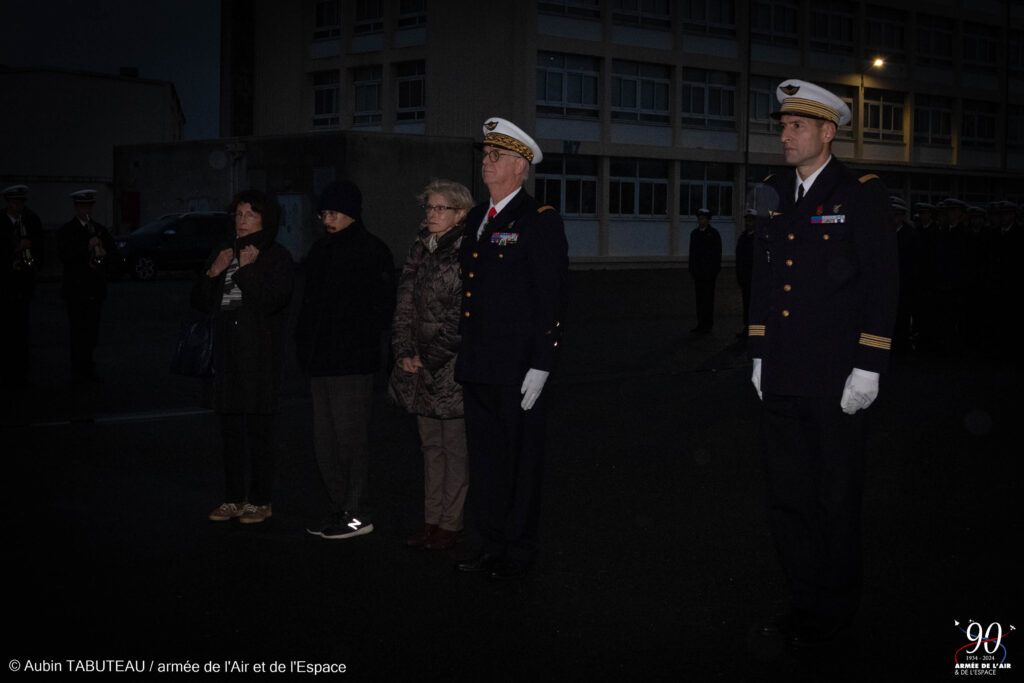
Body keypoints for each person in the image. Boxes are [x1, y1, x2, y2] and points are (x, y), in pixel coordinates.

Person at [748, 80, 898, 647]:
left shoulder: (860, 191)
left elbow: (882, 280)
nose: (784, 135)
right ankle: (804, 598)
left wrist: (870, 363)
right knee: (788, 493)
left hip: (836, 375)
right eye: (782, 126)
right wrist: (758, 352)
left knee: (835, 495)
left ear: (826, 132)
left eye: (796, 126)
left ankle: (836, 607)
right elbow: (762, 276)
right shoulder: (769, 190)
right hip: (783, 370)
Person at [454, 117, 569, 579]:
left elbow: (552, 295)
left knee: (520, 463)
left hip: (518, 367)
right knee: (486, 462)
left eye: (496, 156)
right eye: (485, 154)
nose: (487, 161)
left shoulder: (538, 220)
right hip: (479, 362)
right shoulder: (480, 218)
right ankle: (490, 542)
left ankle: (518, 550)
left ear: (520, 167)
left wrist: (543, 362)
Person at [294, 180, 395, 540]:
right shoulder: (321, 250)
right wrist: (304, 347)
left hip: (351, 363)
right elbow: (307, 306)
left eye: (333, 212)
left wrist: (359, 343)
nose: (327, 219)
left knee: (351, 440)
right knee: (325, 442)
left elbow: (383, 308)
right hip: (321, 362)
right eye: (324, 213)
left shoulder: (371, 251)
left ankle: (357, 513)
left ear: (351, 213)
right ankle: (340, 509)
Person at [192, 190, 294, 524]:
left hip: (260, 357)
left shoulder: (276, 256)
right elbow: (200, 302)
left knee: (259, 431)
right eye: (238, 213)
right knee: (230, 432)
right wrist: (213, 272)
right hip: (227, 356)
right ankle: (233, 498)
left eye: (250, 214)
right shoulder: (223, 251)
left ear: (266, 219)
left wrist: (247, 270)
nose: (242, 219)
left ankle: (260, 500)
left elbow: (272, 302)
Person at [390, 179, 473, 551]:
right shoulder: (420, 248)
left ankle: (450, 525)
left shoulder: (468, 250)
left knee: (454, 449)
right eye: (429, 208)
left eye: (441, 208)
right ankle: (431, 521)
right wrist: (404, 351)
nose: (432, 214)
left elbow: (462, 317)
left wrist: (429, 357)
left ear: (461, 214)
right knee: (430, 449)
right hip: (419, 367)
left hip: (451, 368)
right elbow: (404, 305)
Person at [58, 190, 116, 384]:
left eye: (89, 206)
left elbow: (114, 255)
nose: (87, 210)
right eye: (83, 206)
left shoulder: (99, 229)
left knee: (92, 332)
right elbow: (65, 256)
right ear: (76, 208)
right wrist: (87, 247)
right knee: (77, 332)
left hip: (95, 289)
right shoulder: (68, 230)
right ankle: (78, 371)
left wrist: (104, 251)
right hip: (76, 290)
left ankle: (89, 368)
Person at [3, 185, 44, 400]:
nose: (19, 207)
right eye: (15, 203)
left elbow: (39, 249)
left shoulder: (30, 220)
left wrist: (30, 257)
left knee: (22, 331)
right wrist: (15, 249)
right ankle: (8, 373)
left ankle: (21, 373)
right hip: (6, 285)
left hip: (23, 285)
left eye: (21, 203)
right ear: (8, 203)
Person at [688, 208, 721, 334]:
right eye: (699, 218)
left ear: (708, 220)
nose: (700, 221)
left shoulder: (713, 234)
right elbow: (692, 253)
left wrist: (714, 271)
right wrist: (692, 269)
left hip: (709, 273)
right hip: (698, 273)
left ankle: (708, 324)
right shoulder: (695, 234)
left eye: (703, 218)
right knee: (699, 299)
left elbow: (717, 254)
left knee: (708, 300)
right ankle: (700, 323)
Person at [735, 208, 756, 340]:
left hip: (755, 279)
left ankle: (754, 332)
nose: (748, 223)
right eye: (747, 220)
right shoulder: (743, 237)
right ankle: (747, 328)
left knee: (755, 306)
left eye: (751, 220)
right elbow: (739, 258)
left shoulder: (759, 238)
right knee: (746, 304)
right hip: (745, 278)